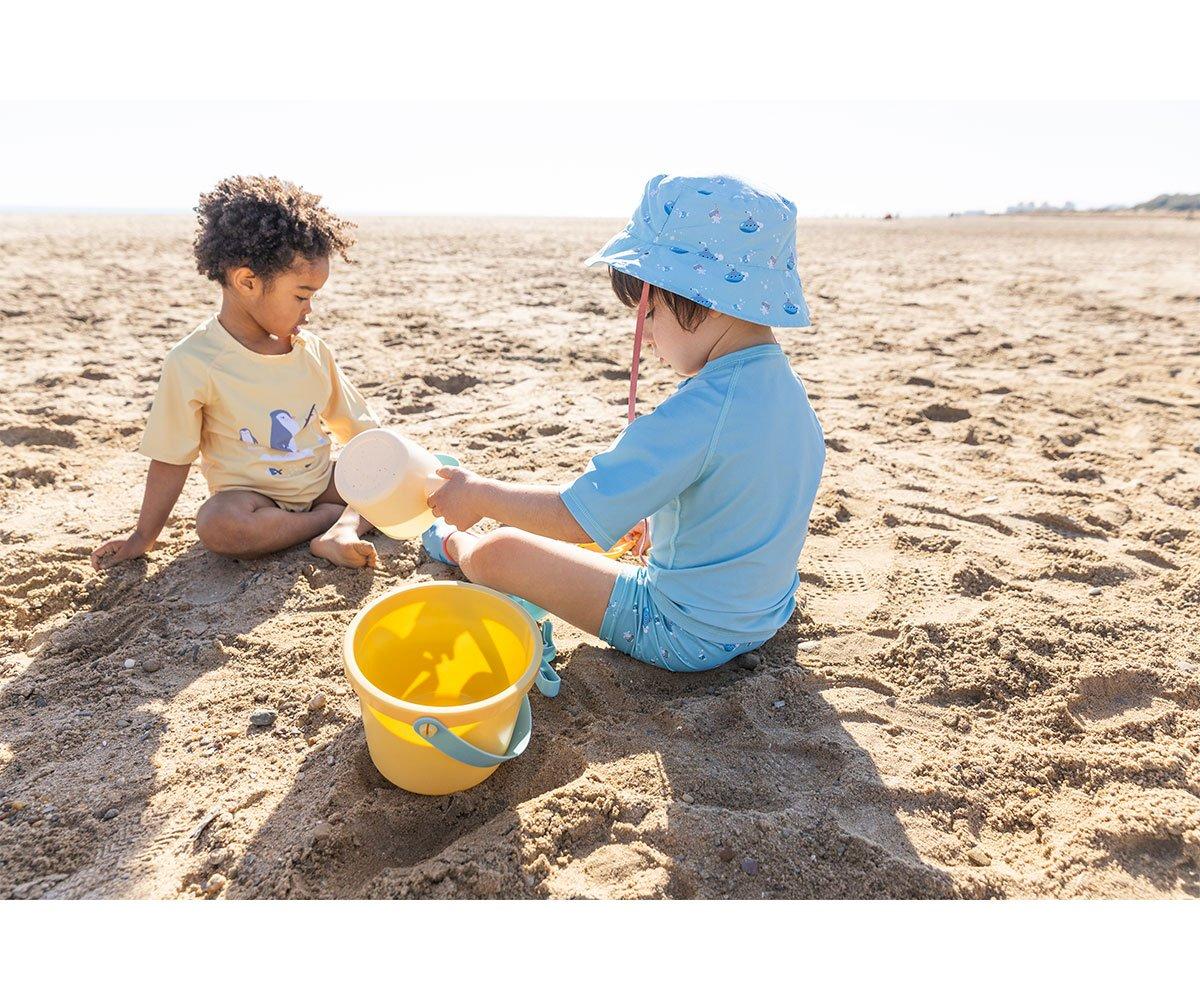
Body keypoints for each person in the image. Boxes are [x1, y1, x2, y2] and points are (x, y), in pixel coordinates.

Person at [422, 174, 825, 671]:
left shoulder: (700, 411)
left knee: (500, 552)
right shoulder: (787, 390)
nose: (648, 339)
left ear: (698, 297)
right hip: (765, 612)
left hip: (684, 631)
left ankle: (453, 543)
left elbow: (573, 516)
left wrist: (479, 494)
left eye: (648, 316)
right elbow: (742, 499)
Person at [91, 176, 381, 572]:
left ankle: (339, 528)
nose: (309, 310)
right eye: (301, 296)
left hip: (320, 486)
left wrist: (393, 472)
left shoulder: (312, 351)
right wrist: (144, 536)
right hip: (252, 502)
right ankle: (333, 525)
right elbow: (171, 459)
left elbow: (362, 431)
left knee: (386, 474)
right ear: (248, 281)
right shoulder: (195, 361)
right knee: (218, 526)